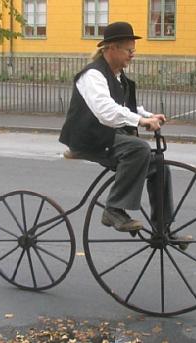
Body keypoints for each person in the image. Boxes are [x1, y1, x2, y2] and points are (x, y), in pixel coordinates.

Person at [59, 21, 173, 233]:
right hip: (89, 139)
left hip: (106, 136)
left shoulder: (117, 76)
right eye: (129, 50)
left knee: (160, 166)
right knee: (138, 149)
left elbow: (124, 106)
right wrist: (140, 122)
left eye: (134, 50)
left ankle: (163, 229)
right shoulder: (93, 75)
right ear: (111, 48)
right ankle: (113, 209)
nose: (133, 55)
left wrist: (147, 115)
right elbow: (106, 111)